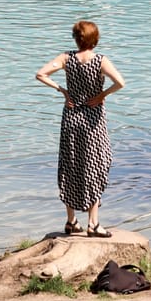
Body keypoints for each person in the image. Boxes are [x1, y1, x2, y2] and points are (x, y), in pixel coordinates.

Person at [36, 20, 125, 238]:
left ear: (76, 38)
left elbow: (40, 74)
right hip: (93, 119)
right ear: (95, 39)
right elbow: (120, 83)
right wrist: (101, 96)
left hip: (71, 118)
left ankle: (71, 221)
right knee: (96, 164)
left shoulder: (66, 58)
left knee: (71, 165)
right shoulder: (100, 60)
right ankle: (93, 223)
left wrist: (63, 91)